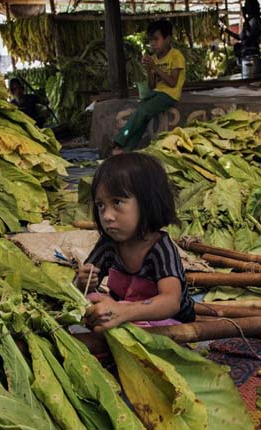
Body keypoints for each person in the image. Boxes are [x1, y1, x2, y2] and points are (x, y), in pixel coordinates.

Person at [76, 153, 195, 332]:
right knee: (89, 300)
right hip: (122, 310)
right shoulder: (109, 244)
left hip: (169, 322)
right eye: (101, 205)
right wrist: (83, 282)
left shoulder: (161, 248)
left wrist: (123, 311)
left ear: (149, 202)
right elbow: (83, 287)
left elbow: (171, 302)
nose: (107, 216)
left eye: (117, 202)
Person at [111, 20, 186, 154]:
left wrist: (155, 67)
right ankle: (126, 150)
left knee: (142, 112)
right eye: (150, 40)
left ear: (168, 39)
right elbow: (152, 86)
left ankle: (119, 140)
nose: (152, 44)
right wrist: (149, 70)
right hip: (156, 93)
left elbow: (172, 82)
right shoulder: (154, 58)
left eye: (156, 39)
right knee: (141, 119)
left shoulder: (176, 56)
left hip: (170, 95)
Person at [222, 0, 261, 67]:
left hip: (252, 53)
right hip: (246, 53)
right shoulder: (248, 20)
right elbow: (240, 37)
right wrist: (226, 30)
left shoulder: (255, 20)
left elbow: (250, 34)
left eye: (247, 6)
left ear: (252, 7)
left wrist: (245, 17)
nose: (245, 7)